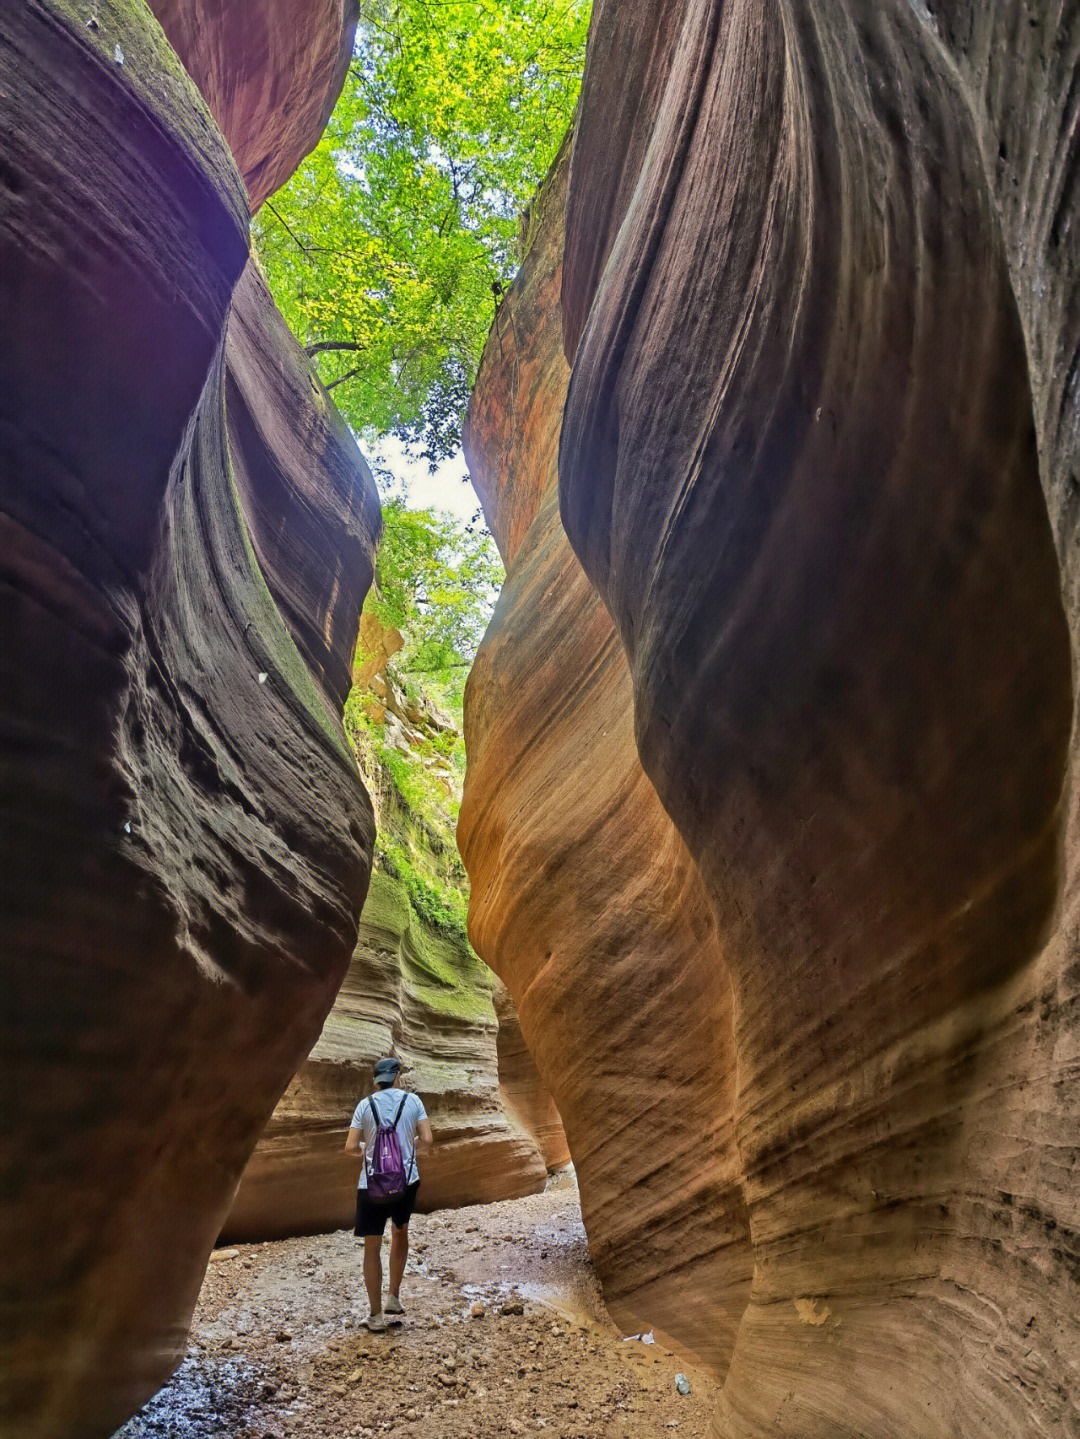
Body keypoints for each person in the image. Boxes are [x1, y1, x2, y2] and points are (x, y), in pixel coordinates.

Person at [345, 1056, 433, 1332]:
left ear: (376, 1081)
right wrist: (407, 1151)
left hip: (371, 1184)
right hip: (406, 1181)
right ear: (397, 1076)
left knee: (372, 1246)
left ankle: (375, 1316)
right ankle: (393, 1297)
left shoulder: (364, 1105)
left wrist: (368, 1156)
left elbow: (349, 1147)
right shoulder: (413, 1102)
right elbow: (428, 1140)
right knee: (400, 1233)